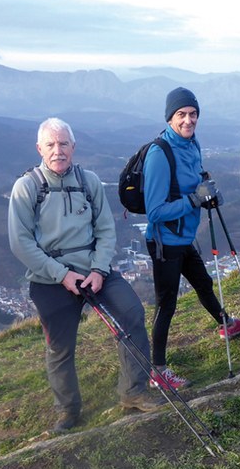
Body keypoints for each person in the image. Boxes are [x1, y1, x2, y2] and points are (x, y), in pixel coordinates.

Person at [8, 118, 164, 434]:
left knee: (132, 313)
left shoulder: (88, 181)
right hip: (50, 277)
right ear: (40, 149)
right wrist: (61, 275)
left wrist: (98, 270)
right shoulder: (27, 188)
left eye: (64, 144)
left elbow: (106, 229)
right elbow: (20, 243)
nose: (58, 151)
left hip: (95, 270)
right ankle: (68, 410)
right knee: (60, 346)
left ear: (73, 147)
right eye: (50, 145)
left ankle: (133, 390)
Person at [143, 87, 240, 388]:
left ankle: (226, 325)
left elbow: (192, 180)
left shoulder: (192, 144)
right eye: (181, 115)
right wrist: (194, 200)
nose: (188, 120)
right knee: (166, 304)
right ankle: (158, 371)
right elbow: (154, 211)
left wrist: (205, 188)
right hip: (165, 241)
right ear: (170, 118)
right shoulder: (159, 154)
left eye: (193, 114)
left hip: (183, 236)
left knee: (203, 282)